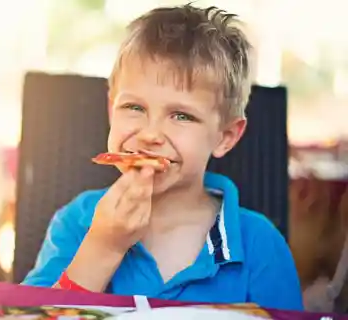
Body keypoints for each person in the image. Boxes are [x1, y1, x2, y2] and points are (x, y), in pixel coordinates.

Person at [23, 3, 303, 311]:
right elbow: (32, 318)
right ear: (110, 109)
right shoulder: (76, 223)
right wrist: (102, 247)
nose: (150, 134)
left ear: (225, 136)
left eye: (181, 115)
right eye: (134, 108)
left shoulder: (260, 245)